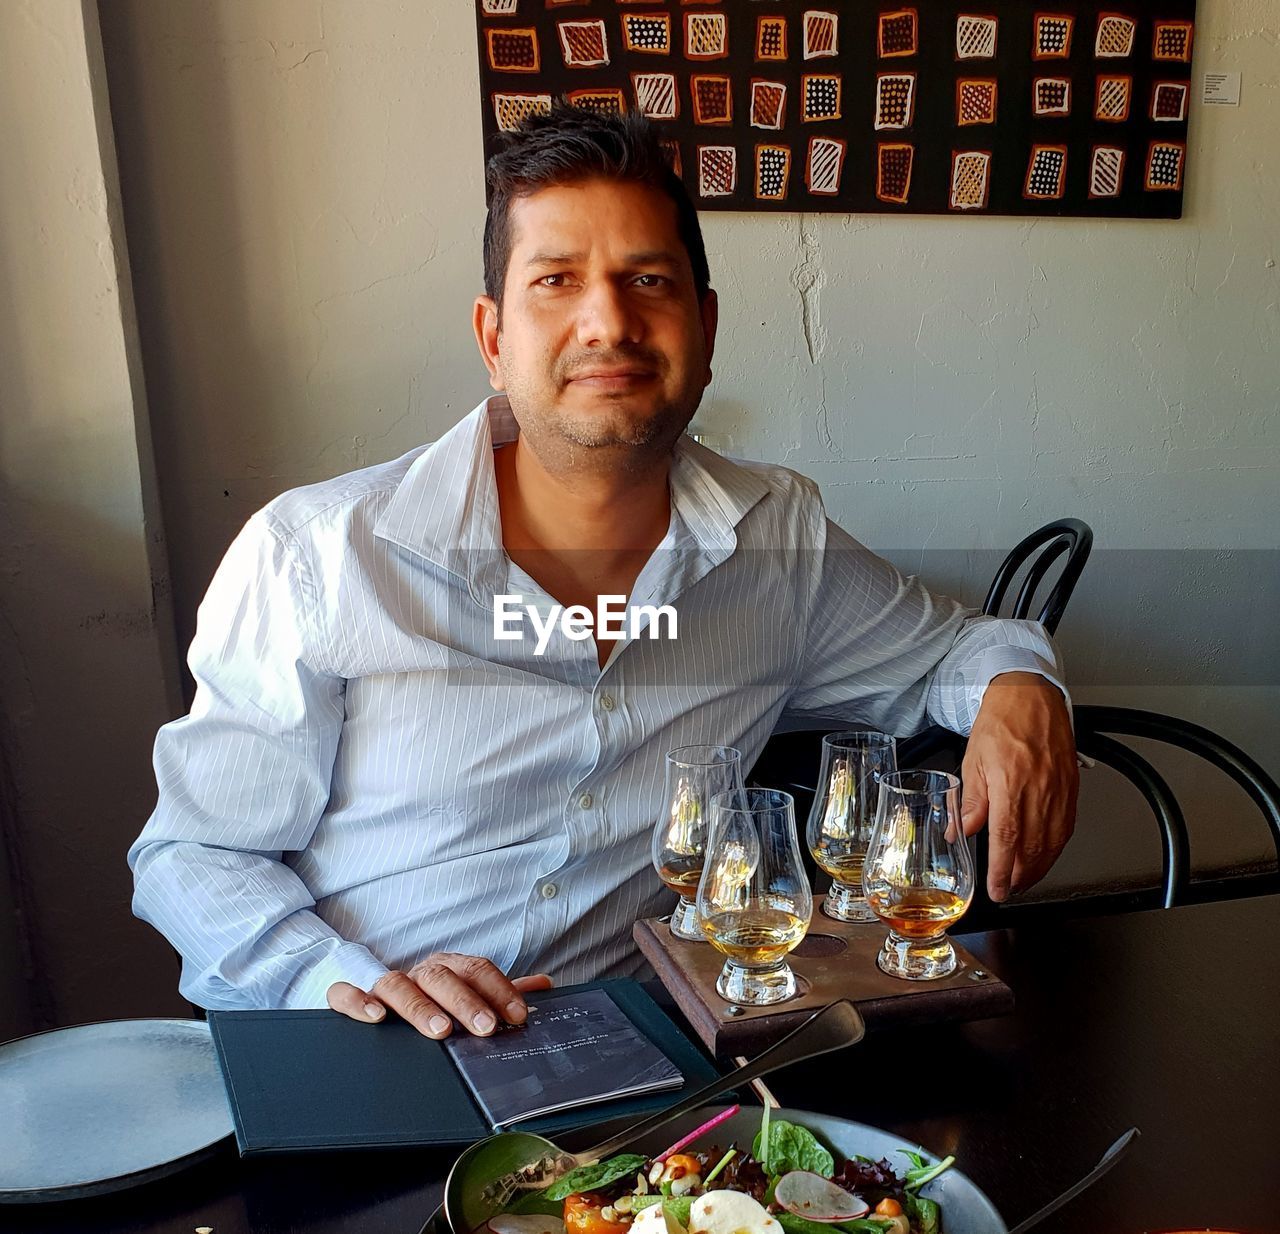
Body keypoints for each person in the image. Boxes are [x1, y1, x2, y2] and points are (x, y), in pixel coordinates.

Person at [129, 106, 1078, 1043]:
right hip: (359, 1052)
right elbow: (195, 854)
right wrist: (358, 983)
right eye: (556, 280)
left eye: (647, 280)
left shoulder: (775, 541)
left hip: (635, 1079)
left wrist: (1022, 687)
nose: (608, 321)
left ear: (702, 328)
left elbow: (953, 652)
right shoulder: (319, 553)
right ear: (493, 338)